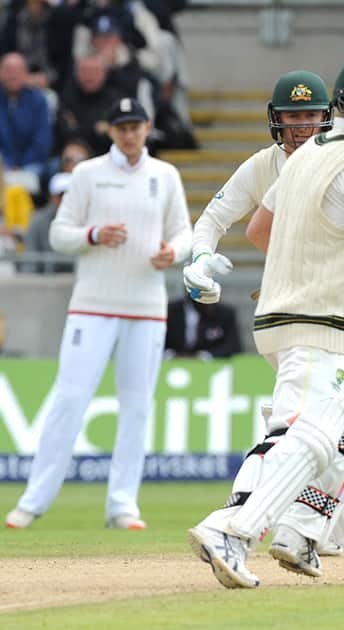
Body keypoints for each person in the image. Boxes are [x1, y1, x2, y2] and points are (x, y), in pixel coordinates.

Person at [187, 51, 344, 590]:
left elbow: (264, 225)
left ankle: (303, 527)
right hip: (320, 317)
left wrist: (303, 263)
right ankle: (231, 529)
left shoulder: (306, 156)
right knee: (308, 435)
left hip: (290, 313)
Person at [4, 97, 192, 530]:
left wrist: (173, 252)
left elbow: (183, 232)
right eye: (121, 127)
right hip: (92, 304)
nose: (129, 134)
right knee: (69, 397)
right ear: (111, 130)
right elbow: (58, 234)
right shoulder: (87, 175)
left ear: (147, 128)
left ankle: (123, 505)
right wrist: (93, 234)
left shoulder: (165, 176)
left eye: (136, 126)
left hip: (146, 306)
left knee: (137, 406)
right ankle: (33, 501)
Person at [0, 51, 52, 177]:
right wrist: (7, 164)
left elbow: (42, 140)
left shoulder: (39, 100)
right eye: (8, 70)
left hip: (31, 164)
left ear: (26, 74)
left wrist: (21, 166)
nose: (12, 75)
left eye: (17, 70)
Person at [23, 172, 73, 274]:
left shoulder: (87, 218)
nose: (66, 199)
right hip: (45, 283)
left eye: (71, 194)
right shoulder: (38, 221)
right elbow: (31, 261)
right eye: (62, 195)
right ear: (52, 197)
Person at [164, 299, 242, 360]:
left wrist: (206, 356)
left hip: (213, 368)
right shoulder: (170, 311)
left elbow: (233, 346)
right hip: (174, 366)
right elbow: (160, 341)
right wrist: (170, 354)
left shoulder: (225, 314)